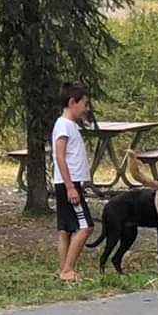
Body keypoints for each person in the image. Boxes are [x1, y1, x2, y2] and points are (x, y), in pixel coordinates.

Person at [52, 82, 94, 282]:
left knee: (66, 229)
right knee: (86, 227)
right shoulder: (63, 125)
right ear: (72, 102)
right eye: (84, 103)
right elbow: (60, 157)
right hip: (69, 183)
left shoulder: (70, 125)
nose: (86, 108)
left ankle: (64, 270)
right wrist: (70, 187)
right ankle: (68, 269)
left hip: (68, 183)